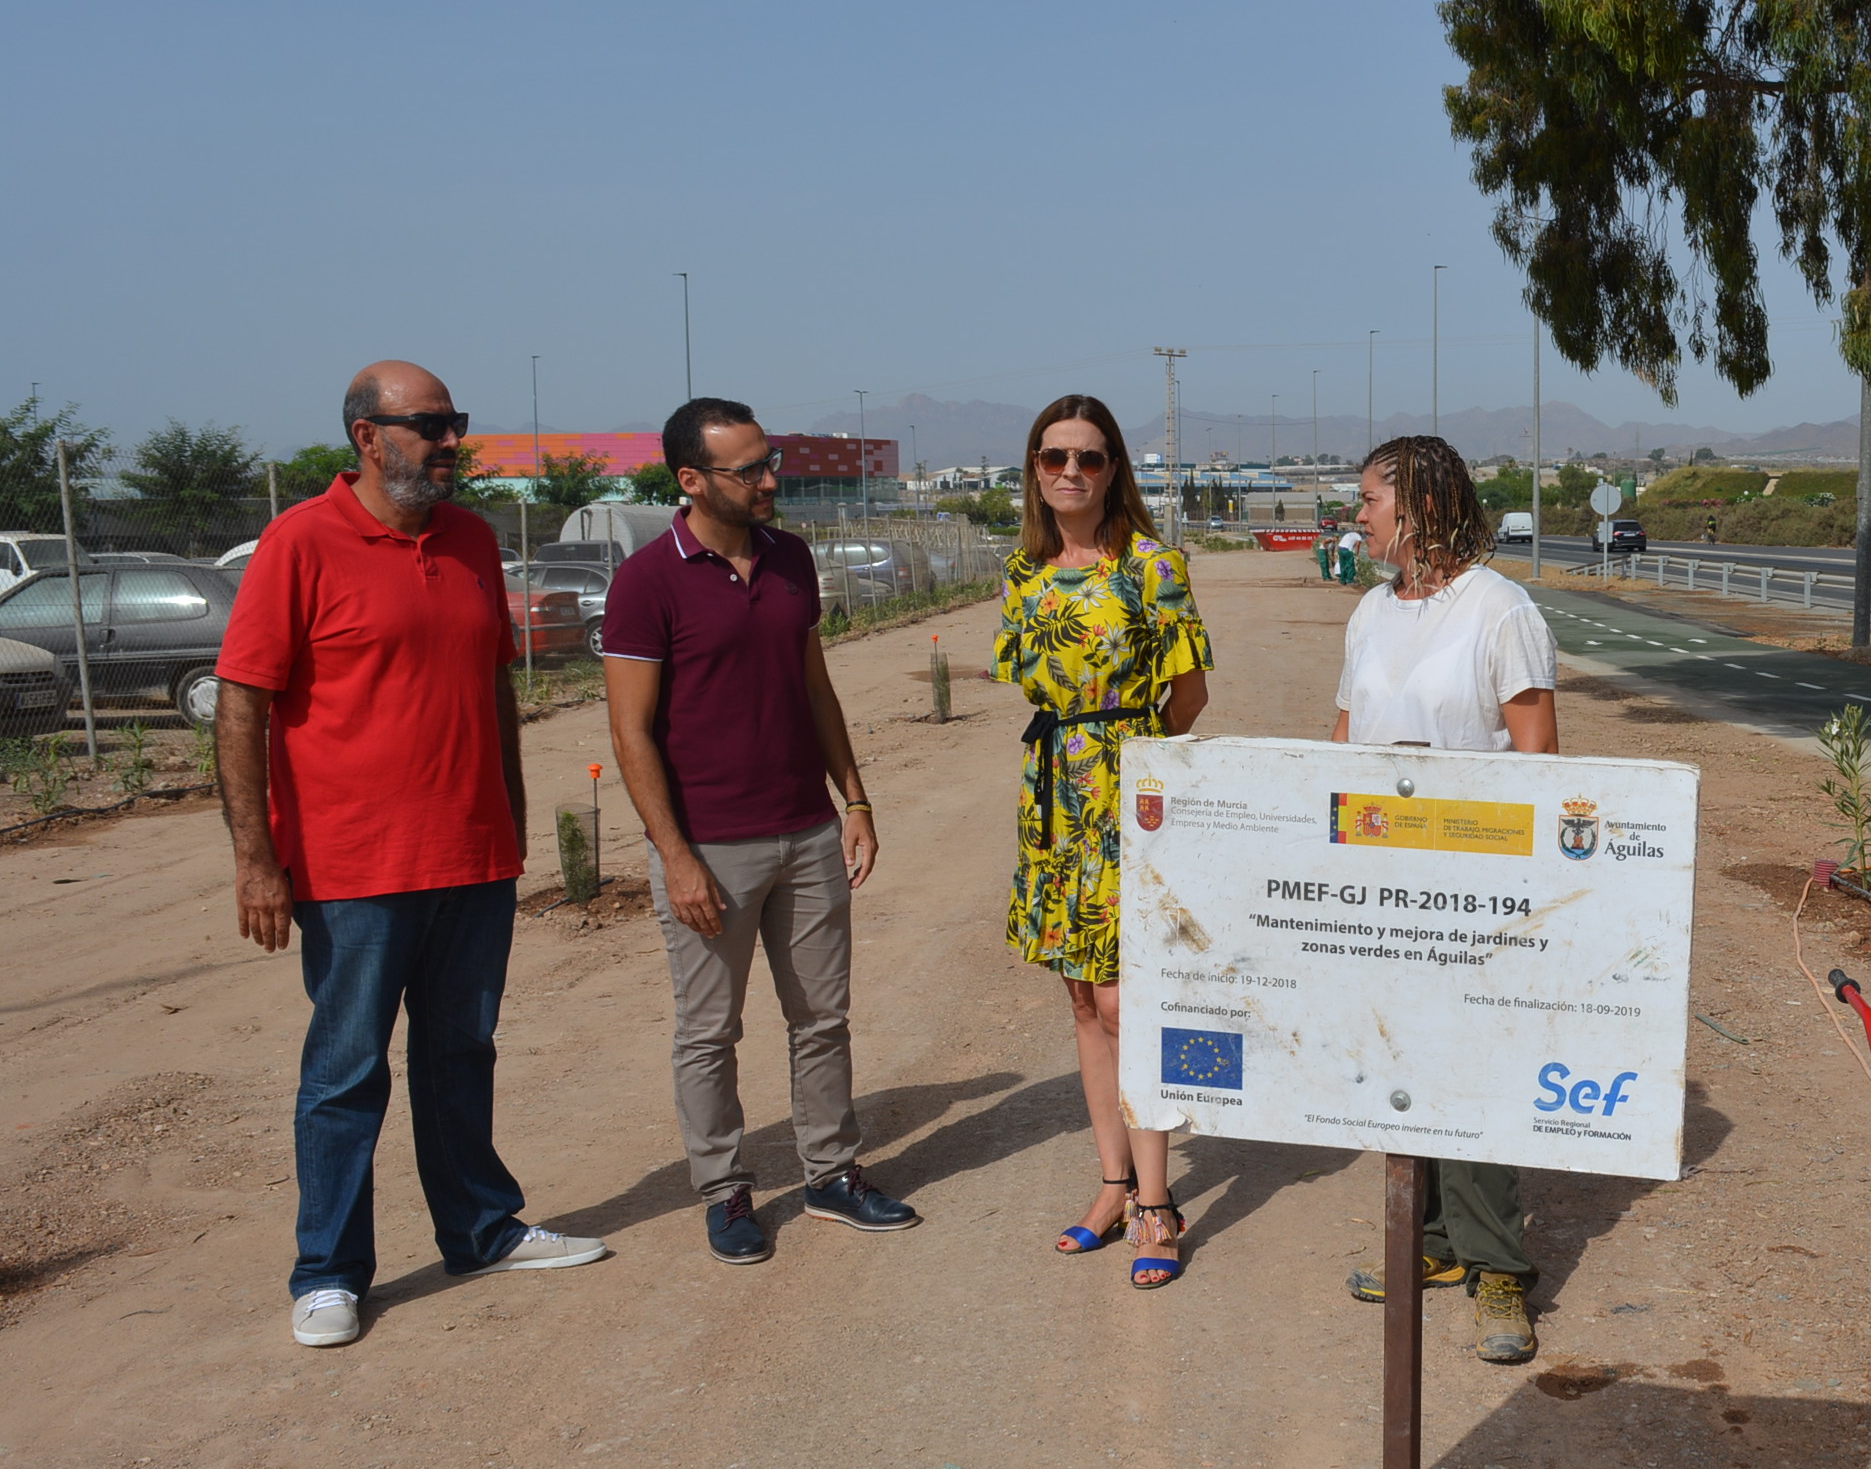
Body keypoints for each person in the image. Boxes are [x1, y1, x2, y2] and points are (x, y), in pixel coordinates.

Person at [214, 362, 606, 1350]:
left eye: (453, 423)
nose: (447, 440)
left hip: (473, 856)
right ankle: (329, 1270)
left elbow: (493, 690)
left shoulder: (472, 538)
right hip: (353, 869)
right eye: (426, 425)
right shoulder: (301, 542)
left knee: (460, 1052)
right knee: (347, 1070)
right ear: (366, 435)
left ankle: (481, 1228)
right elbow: (242, 701)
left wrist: (511, 820)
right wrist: (256, 860)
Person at [600, 397, 916, 1266]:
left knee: (822, 1018)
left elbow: (815, 688)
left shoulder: (791, 559)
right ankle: (726, 1190)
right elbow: (630, 732)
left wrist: (854, 800)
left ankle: (831, 1175)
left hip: (807, 834)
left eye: (770, 460)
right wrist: (676, 858)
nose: (772, 480)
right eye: (751, 470)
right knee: (710, 1030)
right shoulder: (647, 582)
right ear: (693, 480)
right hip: (711, 848)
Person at [1332, 435, 1561, 1365]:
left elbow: (1540, 760)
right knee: (1399, 1061)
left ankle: (1499, 1266)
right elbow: (1346, 737)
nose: (1359, 514)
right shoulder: (1369, 614)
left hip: (1473, 889)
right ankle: (1424, 1243)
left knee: (1470, 1076)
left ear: (1422, 503)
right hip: (1379, 884)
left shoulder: (1501, 612)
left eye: (1370, 498)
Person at [993, 394, 1212, 1288]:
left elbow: (1188, 697)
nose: (1071, 473)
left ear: (1115, 467)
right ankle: (1114, 1185)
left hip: (1130, 796)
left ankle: (1158, 1201)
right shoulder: (1024, 574)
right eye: (1054, 458)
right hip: (1052, 801)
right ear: (1034, 471)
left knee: (1132, 1005)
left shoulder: (1152, 568)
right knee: (1085, 1002)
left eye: (1089, 458)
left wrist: (1134, 777)